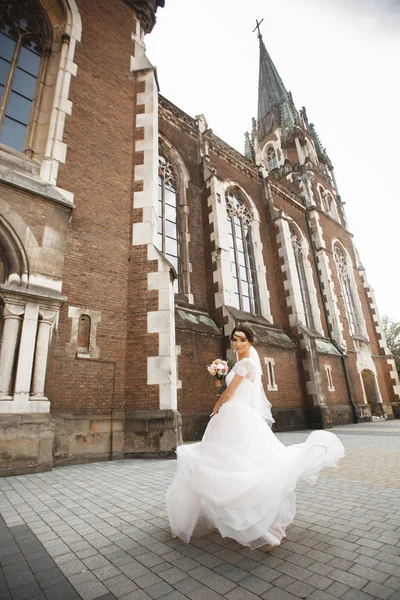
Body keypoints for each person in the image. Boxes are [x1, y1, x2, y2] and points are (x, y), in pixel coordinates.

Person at [166, 325, 345, 551]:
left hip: (234, 414)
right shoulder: (238, 364)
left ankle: (271, 529)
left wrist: (217, 405)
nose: (237, 344)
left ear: (250, 342)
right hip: (230, 415)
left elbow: (230, 394)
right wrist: (219, 378)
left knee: (239, 469)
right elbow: (224, 390)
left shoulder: (247, 363)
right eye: (234, 339)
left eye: (242, 340)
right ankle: (264, 525)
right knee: (229, 464)